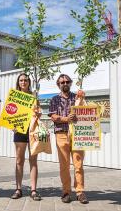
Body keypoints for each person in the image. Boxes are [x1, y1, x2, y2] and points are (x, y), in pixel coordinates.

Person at [48, 74, 88, 204]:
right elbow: (53, 117)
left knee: (78, 164)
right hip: (61, 134)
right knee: (64, 165)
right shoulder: (54, 99)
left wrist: (82, 98)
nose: (64, 83)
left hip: (77, 134)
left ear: (71, 83)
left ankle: (80, 192)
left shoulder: (76, 97)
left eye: (67, 81)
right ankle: (66, 192)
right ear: (58, 84)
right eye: (62, 82)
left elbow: (85, 111)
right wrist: (66, 119)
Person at [10, 73, 41, 200]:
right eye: (21, 80)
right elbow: (10, 112)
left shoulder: (34, 96)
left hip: (32, 129)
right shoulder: (14, 96)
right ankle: (18, 189)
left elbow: (38, 111)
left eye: (26, 80)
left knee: (33, 160)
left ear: (29, 82)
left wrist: (38, 113)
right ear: (18, 82)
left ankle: (33, 190)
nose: (23, 82)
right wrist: (12, 124)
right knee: (19, 160)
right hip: (20, 130)